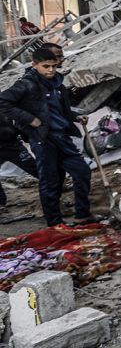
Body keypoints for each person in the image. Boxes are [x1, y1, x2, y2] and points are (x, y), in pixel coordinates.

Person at [0, 46, 92, 226]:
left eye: (54, 66)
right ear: (35, 65)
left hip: (62, 137)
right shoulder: (26, 84)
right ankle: (54, 222)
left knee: (82, 172)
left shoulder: (58, 84)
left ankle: (82, 214)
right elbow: (3, 102)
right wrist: (29, 119)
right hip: (43, 140)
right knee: (49, 181)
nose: (50, 70)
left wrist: (75, 117)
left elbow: (58, 110)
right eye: (46, 66)